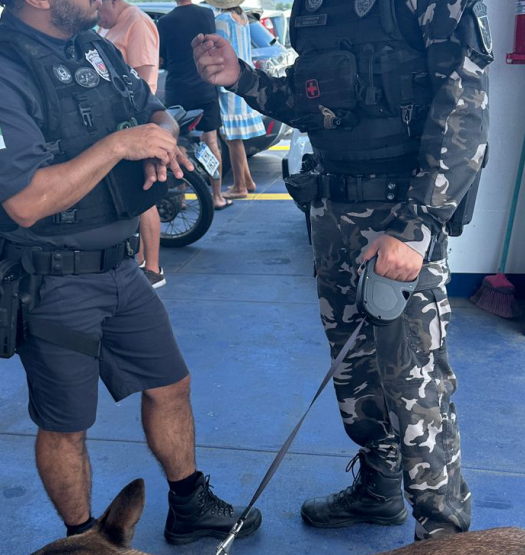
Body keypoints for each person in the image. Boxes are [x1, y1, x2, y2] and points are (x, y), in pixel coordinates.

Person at [0, 0, 262, 545]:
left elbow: (153, 109)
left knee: (171, 385)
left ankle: (188, 506)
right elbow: (23, 202)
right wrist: (119, 145)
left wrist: (157, 137)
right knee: (66, 423)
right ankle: (84, 538)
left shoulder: (91, 49)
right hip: (49, 279)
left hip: (121, 266)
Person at [194, 0, 492, 542]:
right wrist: (242, 78)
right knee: (355, 373)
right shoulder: (316, 8)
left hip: (400, 219)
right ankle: (380, 492)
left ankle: (444, 535)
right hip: (334, 215)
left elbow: (464, 111)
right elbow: (315, 106)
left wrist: (416, 228)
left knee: (414, 380)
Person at [98, 0, 166, 288]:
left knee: (143, 199)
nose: (96, 13)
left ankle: (153, 268)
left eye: (99, 7)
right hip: (117, 127)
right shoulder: (109, 24)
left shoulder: (136, 22)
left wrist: (137, 126)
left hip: (133, 124)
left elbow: (145, 77)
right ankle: (138, 262)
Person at [158, 0, 231, 210]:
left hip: (177, 89)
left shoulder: (165, 21)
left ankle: (180, 198)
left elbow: (161, 57)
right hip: (204, 85)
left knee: (177, 141)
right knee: (211, 140)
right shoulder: (206, 14)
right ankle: (216, 196)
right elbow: (212, 46)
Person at [212, 0, 265, 200]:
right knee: (236, 137)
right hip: (244, 79)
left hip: (228, 84)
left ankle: (239, 186)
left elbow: (219, 54)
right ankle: (247, 181)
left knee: (232, 137)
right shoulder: (242, 17)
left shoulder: (222, 20)